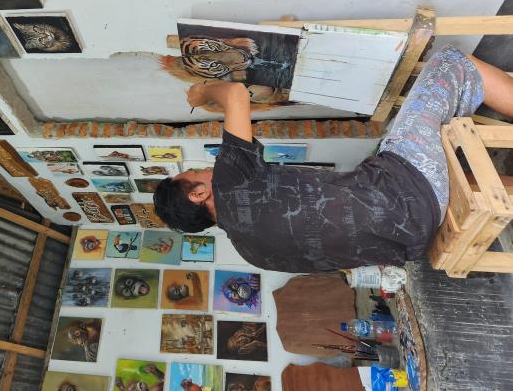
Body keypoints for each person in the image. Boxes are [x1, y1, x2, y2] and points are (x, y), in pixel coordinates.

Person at [153, 47, 513, 272]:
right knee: (452, 64)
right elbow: (235, 94)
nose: (207, 168)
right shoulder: (230, 184)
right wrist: (202, 92)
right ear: (197, 194)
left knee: (438, 173)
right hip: (410, 187)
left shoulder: (251, 254)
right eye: (197, 171)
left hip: (416, 238)